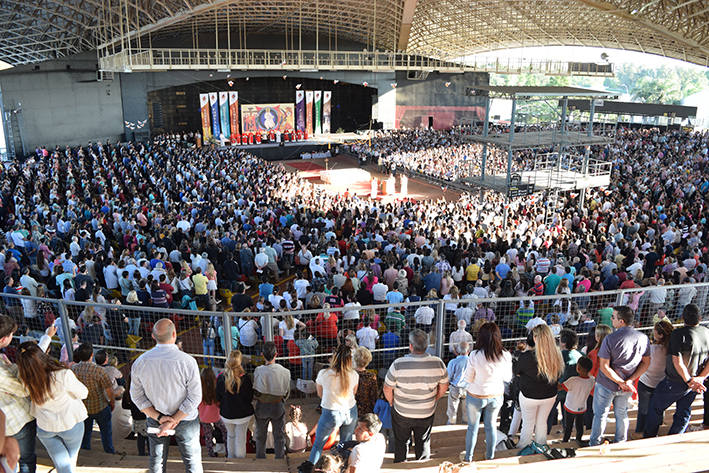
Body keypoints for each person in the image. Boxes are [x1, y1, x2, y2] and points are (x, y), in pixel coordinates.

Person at [130, 318, 203, 473]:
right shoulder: (188, 362)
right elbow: (195, 397)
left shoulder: (140, 362)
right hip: (186, 420)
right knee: (192, 461)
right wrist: (174, 420)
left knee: (156, 462)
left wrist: (160, 418)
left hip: (156, 421)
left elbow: (136, 395)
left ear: (153, 336)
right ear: (174, 334)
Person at [16, 342, 88, 473]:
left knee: (62, 464)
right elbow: (84, 393)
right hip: (70, 424)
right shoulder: (63, 374)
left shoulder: (24, 379)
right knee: (70, 460)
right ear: (42, 355)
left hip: (45, 428)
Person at [383, 329, 449, 463]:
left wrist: (391, 402)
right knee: (423, 442)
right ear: (427, 345)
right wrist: (434, 399)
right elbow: (444, 386)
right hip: (426, 412)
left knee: (401, 442)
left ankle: (401, 465)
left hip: (401, 412)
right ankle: (422, 466)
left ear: (410, 346)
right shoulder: (438, 363)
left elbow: (387, 388)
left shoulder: (398, 364)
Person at [644, 303, 709, 437]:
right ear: (700, 318)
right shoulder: (707, 332)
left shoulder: (678, 334)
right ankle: (675, 436)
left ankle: (649, 437)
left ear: (682, 317)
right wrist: (699, 378)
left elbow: (677, 361)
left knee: (655, 407)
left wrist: (689, 380)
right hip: (695, 382)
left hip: (675, 381)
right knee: (684, 410)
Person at [590, 305, 650, 446]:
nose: (611, 319)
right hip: (626, 387)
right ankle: (621, 441)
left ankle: (595, 444)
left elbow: (604, 367)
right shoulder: (643, 338)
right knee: (622, 414)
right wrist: (628, 381)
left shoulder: (610, 339)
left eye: (613, 317)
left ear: (621, 321)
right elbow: (646, 363)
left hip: (607, 384)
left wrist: (621, 382)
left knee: (600, 416)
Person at [463, 322, 513, 462]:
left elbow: (468, 378)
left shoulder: (474, 355)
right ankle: (490, 457)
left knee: (472, 428)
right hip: (496, 396)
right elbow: (508, 378)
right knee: (491, 427)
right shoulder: (506, 355)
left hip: (475, 396)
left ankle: (468, 458)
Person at [514, 324, 564, 449]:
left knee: (528, 423)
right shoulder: (557, 355)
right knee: (542, 423)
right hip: (549, 395)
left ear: (536, 338)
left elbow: (517, 371)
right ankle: (541, 445)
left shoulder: (526, 357)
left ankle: (524, 446)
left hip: (529, 396)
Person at [309, 344, 359, 464]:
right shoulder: (354, 375)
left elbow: (320, 395)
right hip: (350, 412)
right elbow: (354, 393)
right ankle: (342, 468)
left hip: (330, 413)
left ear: (334, 358)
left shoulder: (324, 373)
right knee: (345, 445)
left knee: (318, 445)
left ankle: (310, 469)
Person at [0, 315, 37, 473]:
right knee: (27, 459)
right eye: (11, 335)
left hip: (8, 423)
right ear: (4, 339)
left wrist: (10, 367)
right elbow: (24, 389)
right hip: (15, 423)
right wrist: (19, 365)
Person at [71, 342, 116, 454]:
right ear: (92, 354)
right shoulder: (99, 370)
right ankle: (109, 451)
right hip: (100, 406)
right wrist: (112, 402)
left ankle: (85, 450)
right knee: (106, 431)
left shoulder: (73, 369)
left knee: (86, 431)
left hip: (82, 408)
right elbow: (109, 389)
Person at [633, 319, 673, 437]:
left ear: (660, 335)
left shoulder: (651, 349)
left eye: (654, 331)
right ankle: (656, 428)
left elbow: (641, 363)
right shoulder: (671, 350)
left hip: (646, 383)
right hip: (661, 383)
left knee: (643, 409)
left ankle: (639, 431)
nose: (652, 333)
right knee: (658, 408)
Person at [253, 341, 291, 459]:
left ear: (262, 354)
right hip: (277, 405)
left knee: (260, 435)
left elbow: (256, 392)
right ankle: (279, 459)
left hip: (262, 406)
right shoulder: (285, 372)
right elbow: (287, 392)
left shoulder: (258, 370)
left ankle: (260, 457)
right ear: (276, 354)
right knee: (279, 435)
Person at [216, 351, 254, 458]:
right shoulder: (245, 378)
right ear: (239, 362)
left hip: (227, 414)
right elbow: (249, 398)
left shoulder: (221, 377)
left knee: (230, 436)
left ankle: (231, 459)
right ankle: (240, 463)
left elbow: (218, 397)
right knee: (240, 439)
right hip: (243, 414)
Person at [559, 356, 595, 445]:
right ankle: (579, 439)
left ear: (577, 369)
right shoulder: (592, 380)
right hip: (582, 408)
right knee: (579, 425)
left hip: (570, 407)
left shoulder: (573, 380)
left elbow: (559, 388)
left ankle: (565, 441)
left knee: (568, 426)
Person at [198, 367, 227, 458]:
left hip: (204, 417)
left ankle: (211, 454)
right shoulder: (215, 389)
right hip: (216, 416)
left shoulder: (199, 390)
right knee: (225, 431)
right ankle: (227, 451)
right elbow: (219, 403)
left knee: (208, 436)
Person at [446, 341, 469, 425]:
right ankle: (465, 426)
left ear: (457, 351)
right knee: (466, 409)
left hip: (455, 387)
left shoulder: (453, 362)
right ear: (468, 350)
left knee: (452, 409)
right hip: (468, 388)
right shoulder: (471, 361)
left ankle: (451, 424)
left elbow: (448, 376)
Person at [353, 347, 377, 416]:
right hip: (366, 409)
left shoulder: (350, 374)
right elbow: (374, 396)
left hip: (351, 407)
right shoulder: (372, 376)